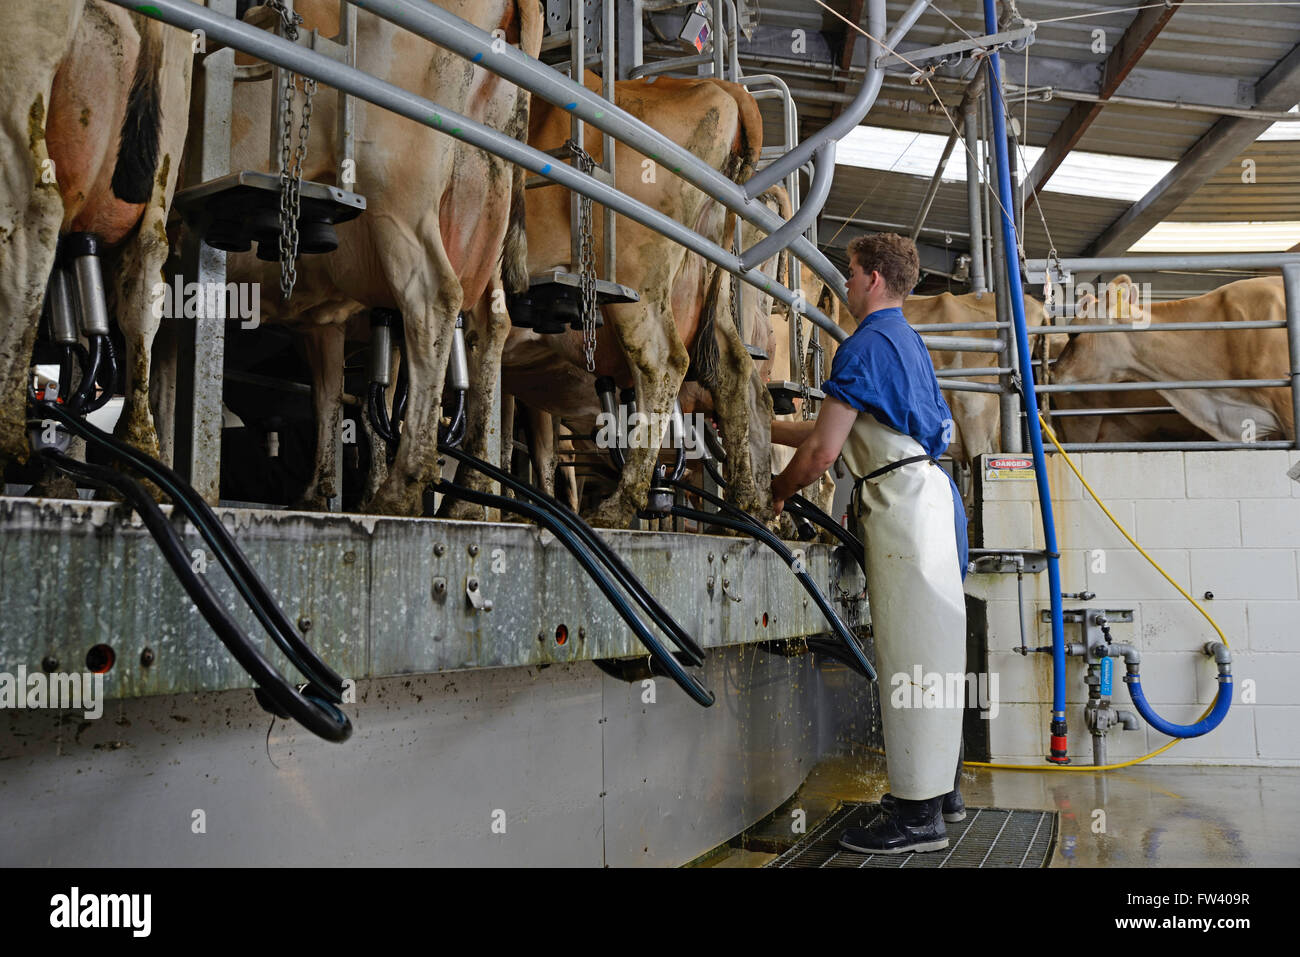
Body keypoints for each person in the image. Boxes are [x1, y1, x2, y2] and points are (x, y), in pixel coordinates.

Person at [770, 233, 969, 854]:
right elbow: (845, 427)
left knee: (909, 659)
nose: (846, 285)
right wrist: (763, 422)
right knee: (933, 658)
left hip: (902, 512)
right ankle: (940, 795)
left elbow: (826, 451)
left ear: (874, 279)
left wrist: (776, 490)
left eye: (851, 274)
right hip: (931, 501)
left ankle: (916, 822)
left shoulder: (859, 347)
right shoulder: (904, 343)